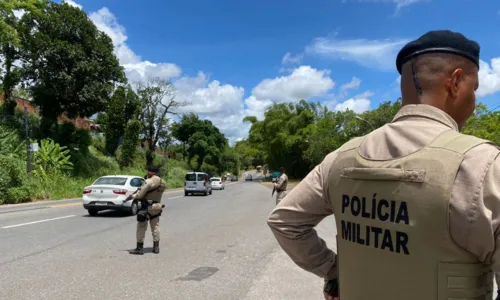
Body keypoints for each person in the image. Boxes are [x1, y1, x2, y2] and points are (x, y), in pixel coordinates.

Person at [267, 30, 500, 300]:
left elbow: (285, 221)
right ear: (456, 82)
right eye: (475, 89)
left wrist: (334, 271)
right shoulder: (483, 166)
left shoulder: (341, 157)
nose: (474, 101)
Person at [129, 165, 167, 255]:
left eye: (148, 171)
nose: (147, 173)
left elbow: (140, 194)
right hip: (157, 206)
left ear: (150, 172)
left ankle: (139, 248)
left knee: (141, 227)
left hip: (146, 207)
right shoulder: (163, 182)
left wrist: (133, 196)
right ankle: (156, 247)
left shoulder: (149, 181)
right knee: (155, 227)